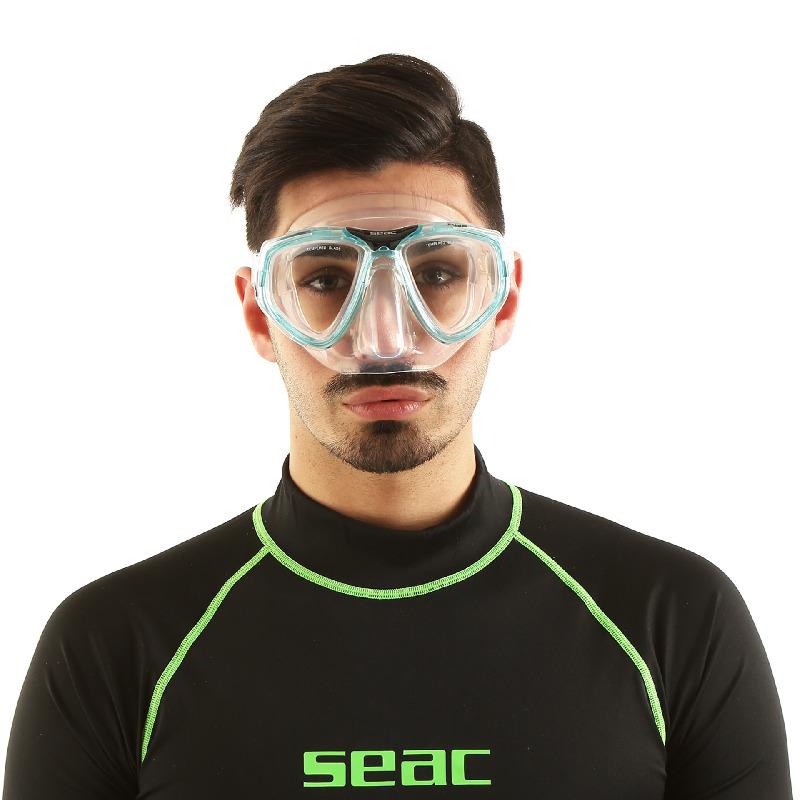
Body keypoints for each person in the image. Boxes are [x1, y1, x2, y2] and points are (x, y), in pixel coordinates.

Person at [2, 53, 793, 799]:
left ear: (504, 300)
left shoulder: (673, 620)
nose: (384, 341)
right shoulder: (114, 648)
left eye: (438, 273)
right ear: (259, 313)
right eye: (325, 279)